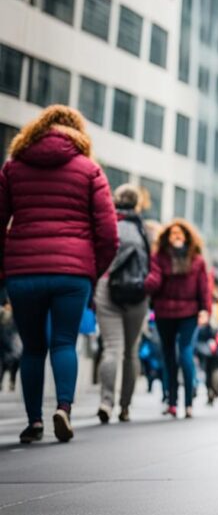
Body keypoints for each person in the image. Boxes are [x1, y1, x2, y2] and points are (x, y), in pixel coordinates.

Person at [0, 105, 118, 443]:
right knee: (64, 341)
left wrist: (3, 269)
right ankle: (63, 409)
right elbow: (109, 234)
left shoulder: (13, 168)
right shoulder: (89, 169)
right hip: (72, 273)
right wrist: (92, 271)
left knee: (33, 348)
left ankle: (34, 421)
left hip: (23, 270)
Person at [94, 184, 151, 424]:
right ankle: (124, 407)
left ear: (114, 201)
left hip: (107, 287)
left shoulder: (108, 225)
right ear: (138, 204)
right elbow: (153, 265)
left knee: (112, 348)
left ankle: (106, 402)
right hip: (138, 292)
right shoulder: (146, 231)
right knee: (131, 352)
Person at [145, 219, 212, 419]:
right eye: (173, 233)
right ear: (167, 236)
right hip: (164, 312)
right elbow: (154, 283)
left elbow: (204, 288)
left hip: (188, 313)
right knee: (168, 356)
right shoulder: (159, 257)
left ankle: (188, 403)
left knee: (185, 353)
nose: (177, 236)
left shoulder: (197, 260)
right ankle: (172, 402)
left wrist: (204, 310)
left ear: (187, 237)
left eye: (180, 233)